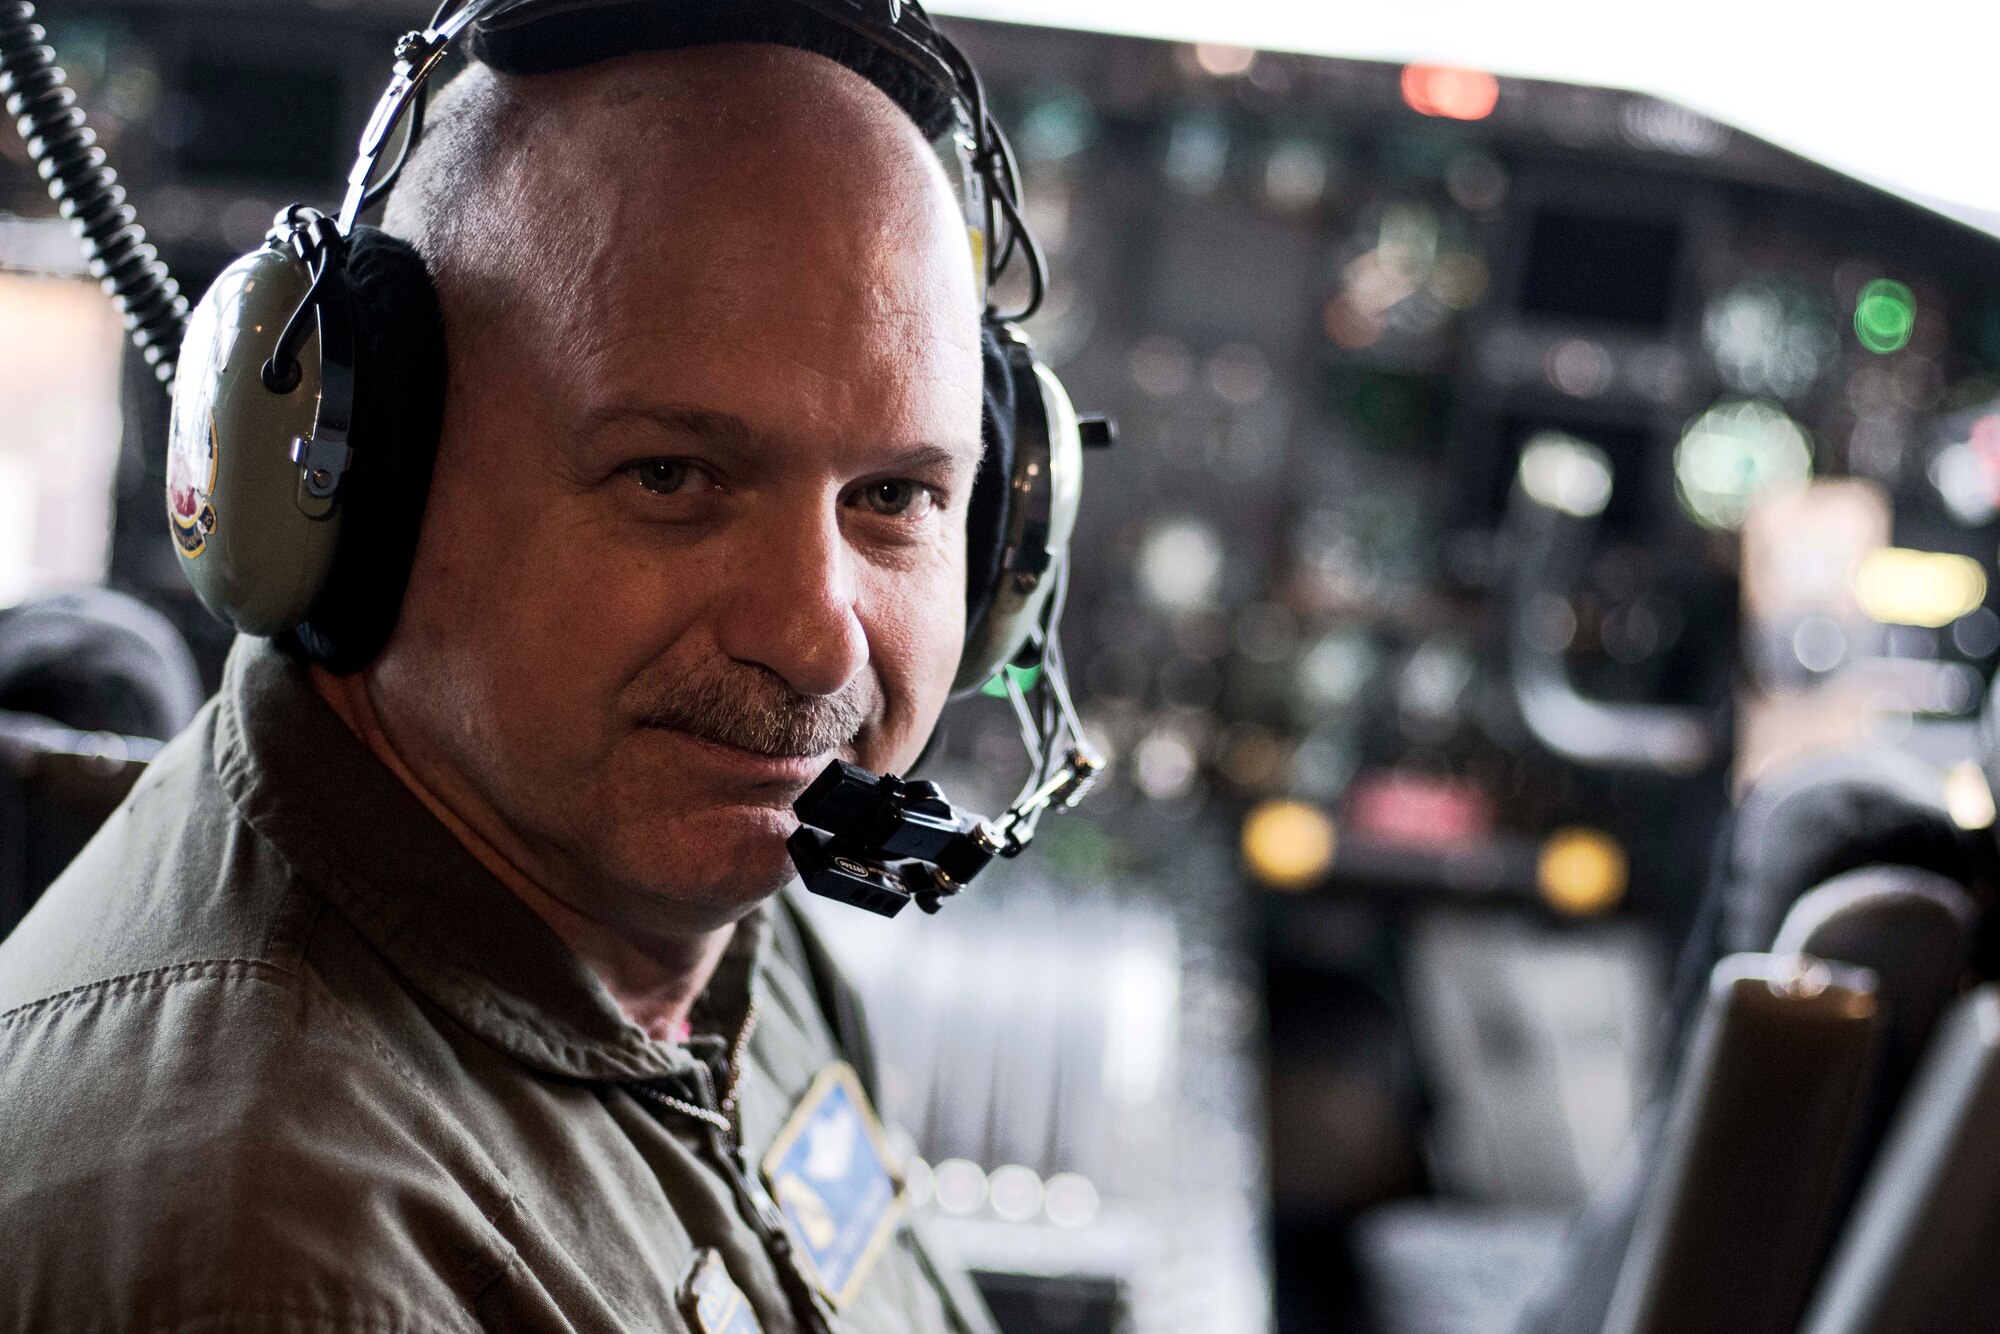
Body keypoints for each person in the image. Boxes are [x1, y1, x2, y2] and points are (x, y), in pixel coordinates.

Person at [0, 12, 1010, 1333]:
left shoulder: (694, 893)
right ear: (360, 493)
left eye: (894, 493)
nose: (817, 638)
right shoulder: (286, 1246)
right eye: (671, 477)